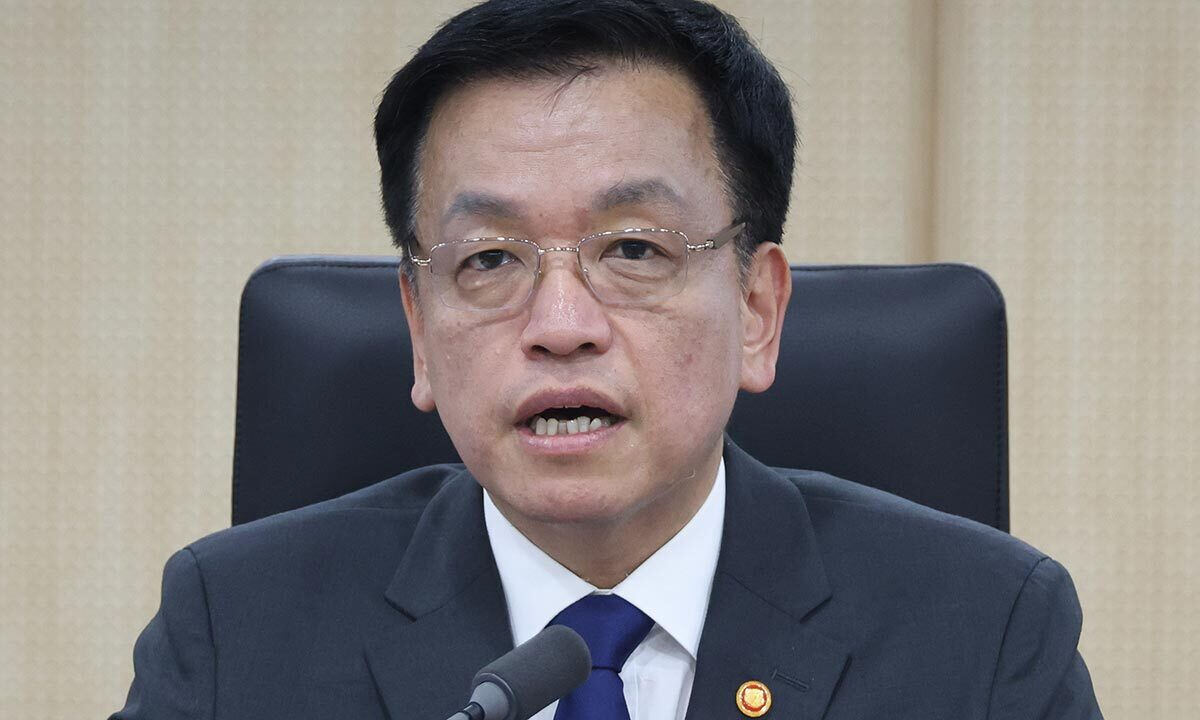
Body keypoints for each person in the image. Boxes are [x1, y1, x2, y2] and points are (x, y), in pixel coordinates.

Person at [111, 1, 1103, 718]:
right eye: (489, 259)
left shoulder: (986, 636)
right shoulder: (235, 635)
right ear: (418, 326)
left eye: (633, 249)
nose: (560, 324)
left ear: (757, 310)